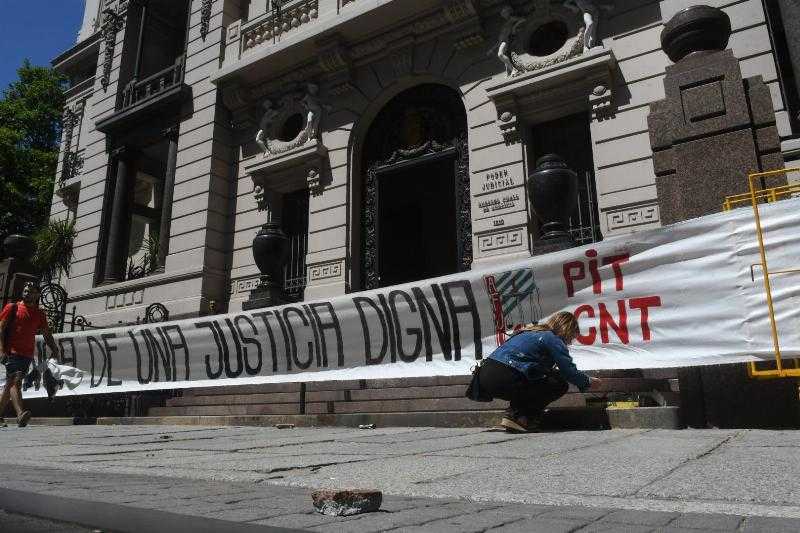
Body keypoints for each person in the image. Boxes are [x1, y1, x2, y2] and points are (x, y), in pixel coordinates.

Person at [478, 311, 601, 432]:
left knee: (537, 380)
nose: (569, 343)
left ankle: (513, 415)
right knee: (559, 383)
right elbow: (568, 371)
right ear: (567, 330)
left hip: (485, 378)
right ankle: (520, 417)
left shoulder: (526, 332)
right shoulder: (552, 338)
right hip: (507, 375)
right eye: (571, 338)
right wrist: (588, 381)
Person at [0, 283, 60, 428]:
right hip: (11, 352)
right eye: (25, 291)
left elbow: (46, 333)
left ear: (37, 295)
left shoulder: (40, 314)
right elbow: (0, 328)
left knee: (9, 386)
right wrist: (2, 350)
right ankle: (20, 414)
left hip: (27, 355)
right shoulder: (12, 308)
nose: (27, 293)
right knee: (16, 381)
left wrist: (54, 348)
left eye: (31, 292)